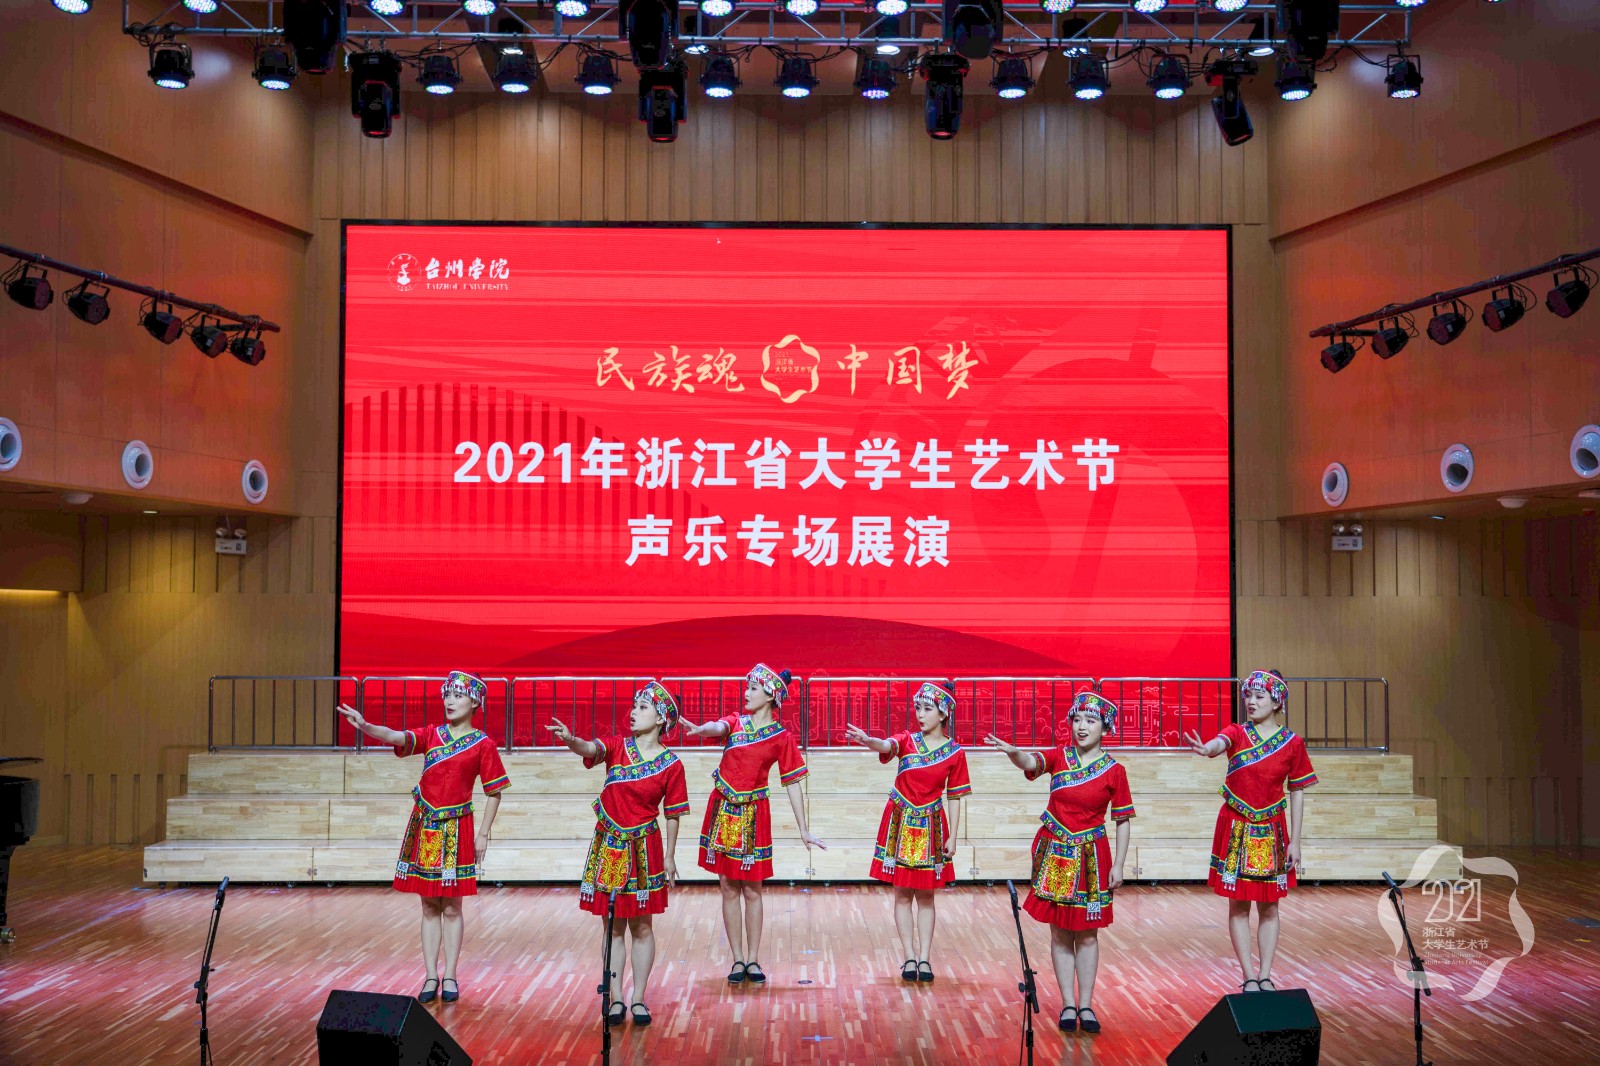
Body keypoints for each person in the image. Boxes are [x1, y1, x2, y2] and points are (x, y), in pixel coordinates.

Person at [337, 671, 509, 1004]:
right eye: (448, 695)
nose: (450, 701)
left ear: (475, 703)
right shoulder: (432, 734)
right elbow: (396, 736)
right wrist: (366, 725)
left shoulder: (483, 744)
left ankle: (450, 975)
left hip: (457, 828)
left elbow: (495, 792)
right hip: (426, 826)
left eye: (458, 695)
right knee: (429, 905)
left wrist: (484, 834)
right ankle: (431, 975)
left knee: (452, 907)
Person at [985, 691, 1134, 1033]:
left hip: (1091, 856)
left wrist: (1119, 864)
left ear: (1105, 728)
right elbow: (1030, 762)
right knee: (1060, 931)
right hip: (1055, 852)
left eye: (1091, 721)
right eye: (1077, 719)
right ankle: (1068, 1003)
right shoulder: (1059, 756)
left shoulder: (1115, 771)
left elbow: (1123, 820)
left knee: (1088, 933)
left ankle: (1087, 1004)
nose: (1081, 727)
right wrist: (1013, 753)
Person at [550, 680, 689, 1027]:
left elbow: (673, 814)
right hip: (610, 844)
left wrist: (670, 856)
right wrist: (571, 740)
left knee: (642, 926)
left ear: (661, 718)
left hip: (645, 848)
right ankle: (614, 997)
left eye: (643, 707)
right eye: (634, 705)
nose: (633, 712)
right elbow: (588, 748)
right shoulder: (616, 747)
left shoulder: (672, 765)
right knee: (612, 925)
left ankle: (638, 997)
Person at [680, 664, 826, 985]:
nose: (746, 693)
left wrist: (803, 828)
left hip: (753, 814)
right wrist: (701, 729)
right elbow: (717, 727)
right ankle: (737, 959)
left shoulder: (781, 738)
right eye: (746, 688)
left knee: (752, 889)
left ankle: (754, 959)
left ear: (771, 695)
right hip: (723, 809)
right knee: (727, 886)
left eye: (753, 689)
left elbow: (792, 783)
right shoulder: (736, 722)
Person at [1183, 669, 1318, 994]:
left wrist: (1296, 841)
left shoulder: (1292, 744)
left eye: (1259, 696)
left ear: (1277, 702)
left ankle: (1266, 974)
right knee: (1239, 904)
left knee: (1270, 906)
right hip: (1236, 826)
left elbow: (1297, 792)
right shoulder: (1237, 732)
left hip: (1272, 830)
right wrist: (1207, 748)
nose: (1251, 702)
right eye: (1249, 696)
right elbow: (1219, 743)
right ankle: (1248, 976)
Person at [843, 680, 970, 983]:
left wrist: (953, 836)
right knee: (902, 894)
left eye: (928, 709)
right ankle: (909, 957)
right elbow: (887, 746)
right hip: (900, 821)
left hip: (931, 824)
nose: (921, 715)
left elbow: (954, 796)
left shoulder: (955, 752)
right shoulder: (908, 740)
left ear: (943, 714)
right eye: (918, 708)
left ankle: (925, 958)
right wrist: (869, 741)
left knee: (926, 896)